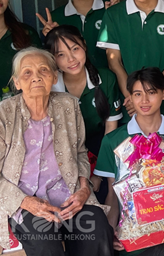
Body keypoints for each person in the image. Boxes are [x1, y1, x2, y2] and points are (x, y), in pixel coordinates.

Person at [0, 47, 112, 256]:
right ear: (17, 82)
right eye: (27, 72)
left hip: (67, 192)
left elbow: (80, 153)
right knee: (44, 240)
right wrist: (26, 202)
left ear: (54, 77)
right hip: (22, 198)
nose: (36, 77)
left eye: (43, 70)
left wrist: (84, 189)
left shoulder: (68, 105)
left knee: (97, 228)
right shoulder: (2, 114)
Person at [94, 67, 164, 256]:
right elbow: (113, 194)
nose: (144, 100)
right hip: (133, 234)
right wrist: (111, 230)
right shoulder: (113, 141)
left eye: (151, 92)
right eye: (137, 94)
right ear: (130, 97)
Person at [45, 25, 123, 203]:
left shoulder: (106, 78)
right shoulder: (49, 87)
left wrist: (99, 174)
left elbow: (110, 133)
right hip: (63, 153)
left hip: (100, 149)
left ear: (85, 46)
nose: (71, 59)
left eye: (75, 49)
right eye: (61, 54)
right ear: (52, 58)